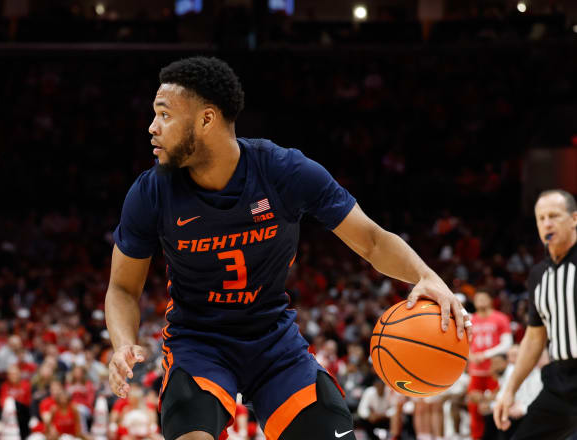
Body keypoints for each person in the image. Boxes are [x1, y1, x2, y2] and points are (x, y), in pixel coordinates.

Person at [105, 56, 469, 440]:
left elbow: (373, 240)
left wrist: (427, 277)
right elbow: (123, 288)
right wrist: (122, 344)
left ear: (206, 120)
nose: (152, 127)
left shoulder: (283, 171)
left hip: (273, 341)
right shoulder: (151, 191)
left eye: (164, 115)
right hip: (199, 343)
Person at [494, 189, 577, 439]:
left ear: (574, 219)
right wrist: (509, 391)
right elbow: (533, 337)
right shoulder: (538, 275)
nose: (547, 223)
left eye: (554, 216)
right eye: (541, 218)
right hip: (560, 381)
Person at [468, 290, 512, 440]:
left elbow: (507, 344)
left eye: (483, 297)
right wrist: (470, 355)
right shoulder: (470, 320)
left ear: (490, 300)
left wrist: (485, 355)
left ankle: (499, 436)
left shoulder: (500, 318)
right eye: (477, 298)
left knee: (497, 405)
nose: (479, 300)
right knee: (474, 408)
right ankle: (477, 437)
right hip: (476, 370)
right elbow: (463, 344)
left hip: (495, 371)